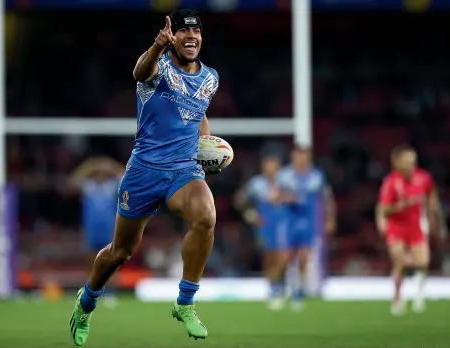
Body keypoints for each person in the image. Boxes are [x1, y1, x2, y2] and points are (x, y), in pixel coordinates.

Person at [69, 9, 220, 346]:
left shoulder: (210, 77)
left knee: (206, 216)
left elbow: (199, 114)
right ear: (174, 37)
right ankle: (87, 302)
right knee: (121, 251)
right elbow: (140, 72)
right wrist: (157, 45)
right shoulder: (159, 65)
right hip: (144, 171)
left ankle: (185, 302)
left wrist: (206, 146)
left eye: (195, 32)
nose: (190, 37)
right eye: (183, 32)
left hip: (184, 169)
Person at [376, 144, 448, 315]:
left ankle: (419, 294)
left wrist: (434, 215)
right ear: (397, 163)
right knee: (399, 262)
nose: (410, 164)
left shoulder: (424, 178)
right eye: (407, 161)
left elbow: (432, 196)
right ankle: (397, 296)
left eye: (412, 161)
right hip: (397, 227)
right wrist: (399, 206)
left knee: (422, 263)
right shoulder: (391, 182)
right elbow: (384, 208)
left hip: (416, 226)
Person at [273, 145, 336, 310]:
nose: (301, 159)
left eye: (304, 156)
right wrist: (287, 198)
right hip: (289, 222)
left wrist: (329, 218)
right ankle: (278, 289)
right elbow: (275, 197)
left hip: (309, 223)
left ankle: (297, 293)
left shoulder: (316, 176)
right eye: (298, 156)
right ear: (293, 157)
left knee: (303, 259)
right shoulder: (285, 176)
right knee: (286, 257)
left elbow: (327, 197)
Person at [234, 154, 294, 310]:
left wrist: (283, 198)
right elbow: (240, 199)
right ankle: (274, 288)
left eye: (273, 166)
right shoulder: (257, 184)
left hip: (284, 222)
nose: (270, 170)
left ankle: (280, 283)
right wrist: (251, 215)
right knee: (269, 256)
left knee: (285, 254)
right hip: (266, 224)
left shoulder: (286, 181)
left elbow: (297, 197)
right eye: (268, 166)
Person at [67, 156, 124, 307]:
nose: (100, 173)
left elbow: (127, 176)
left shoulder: (112, 185)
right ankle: (90, 293)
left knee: (111, 263)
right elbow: (72, 182)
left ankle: (110, 293)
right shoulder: (88, 186)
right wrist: (89, 166)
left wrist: (110, 165)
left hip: (109, 230)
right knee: (90, 264)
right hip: (91, 230)